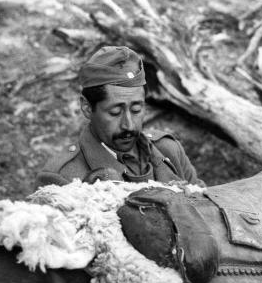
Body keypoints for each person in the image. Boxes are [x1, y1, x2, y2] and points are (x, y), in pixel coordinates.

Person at [35, 46, 203, 187]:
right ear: (87, 107)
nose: (128, 125)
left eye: (136, 110)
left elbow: (206, 211)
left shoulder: (168, 150)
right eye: (115, 112)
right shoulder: (63, 177)